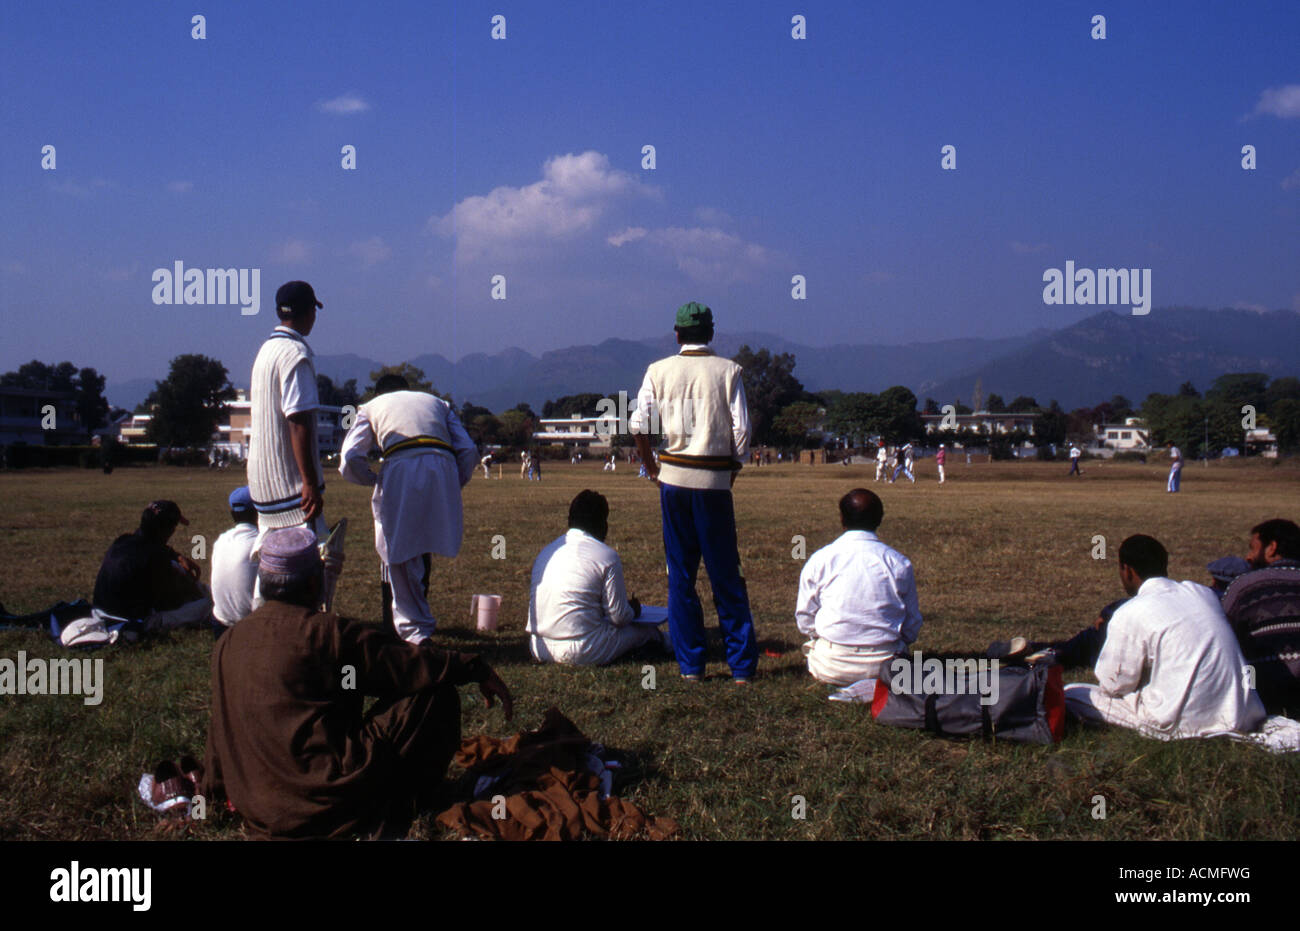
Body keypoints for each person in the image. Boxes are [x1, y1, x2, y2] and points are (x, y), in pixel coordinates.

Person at [202, 527, 513, 840]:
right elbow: (407, 665)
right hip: (327, 804)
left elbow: (220, 731)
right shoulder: (326, 633)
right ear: (314, 582)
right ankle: (415, 802)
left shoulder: (227, 643)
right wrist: (473, 667)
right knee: (434, 692)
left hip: (261, 809)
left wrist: (208, 795)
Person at [631, 301, 758, 683]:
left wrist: (652, 468)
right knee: (726, 576)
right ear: (711, 333)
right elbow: (742, 434)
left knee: (680, 576)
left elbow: (638, 425)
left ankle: (691, 666)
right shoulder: (729, 371)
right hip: (714, 485)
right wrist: (729, 472)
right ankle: (741, 667)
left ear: (677, 334)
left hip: (673, 482)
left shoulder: (659, 371)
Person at [1063, 534, 1266, 740]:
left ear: (1128, 570)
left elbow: (1114, 685)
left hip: (1183, 722)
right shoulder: (1202, 593)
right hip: (1241, 712)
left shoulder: (1130, 611)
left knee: (1072, 693)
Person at [339, 374, 478, 643]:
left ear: (379, 393)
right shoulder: (439, 402)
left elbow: (349, 457)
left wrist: (372, 480)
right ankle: (416, 624)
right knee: (418, 546)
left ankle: (413, 631)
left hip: (400, 466)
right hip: (443, 465)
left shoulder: (370, 407)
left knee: (396, 551)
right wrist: (453, 483)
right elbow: (469, 450)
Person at [247, 280, 344, 607]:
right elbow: (299, 420)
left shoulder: (265, 351)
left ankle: (258, 627)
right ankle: (309, 628)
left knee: (271, 562)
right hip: (290, 485)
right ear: (308, 312)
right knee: (318, 560)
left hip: (262, 484)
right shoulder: (295, 352)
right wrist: (309, 482)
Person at [795, 489, 922, 686]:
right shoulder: (898, 563)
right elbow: (911, 624)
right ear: (880, 519)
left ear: (841, 519)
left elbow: (805, 618)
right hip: (889, 667)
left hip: (832, 665)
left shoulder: (820, 560)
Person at [527, 491, 665, 665]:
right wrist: (634, 611)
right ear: (601, 523)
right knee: (648, 632)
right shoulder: (607, 556)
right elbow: (619, 618)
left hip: (539, 646)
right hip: (582, 650)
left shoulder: (546, 552)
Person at [92, 500, 212, 632]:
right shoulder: (155, 558)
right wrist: (188, 589)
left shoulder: (123, 540)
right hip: (132, 622)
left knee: (175, 566)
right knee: (209, 605)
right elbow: (169, 603)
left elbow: (155, 547)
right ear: (167, 530)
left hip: (100, 612)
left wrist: (177, 556)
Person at [1221, 518, 1300, 714]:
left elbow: (1221, 636)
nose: (1248, 557)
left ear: (1271, 548)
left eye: (1253, 548)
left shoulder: (1244, 585)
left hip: (1267, 694)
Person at [210, 487, 259, 634]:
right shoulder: (261, 543)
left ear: (233, 514)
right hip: (251, 628)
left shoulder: (221, 539)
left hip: (220, 624)